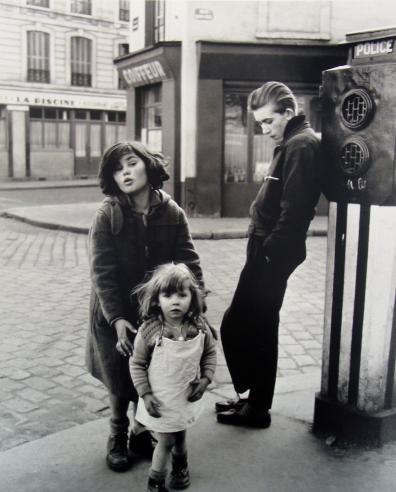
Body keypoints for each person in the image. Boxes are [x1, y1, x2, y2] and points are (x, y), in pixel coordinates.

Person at [86, 141, 205, 472]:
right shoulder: (107, 215)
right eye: (116, 168)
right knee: (119, 378)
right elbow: (102, 273)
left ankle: (140, 433)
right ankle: (117, 434)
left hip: (156, 312)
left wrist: (199, 303)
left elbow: (189, 262)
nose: (124, 171)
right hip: (114, 312)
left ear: (148, 165)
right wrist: (117, 319)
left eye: (130, 163)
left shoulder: (172, 212)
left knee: (149, 371)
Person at [216, 81, 322, 428]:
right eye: (260, 123)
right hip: (265, 246)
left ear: (288, 113)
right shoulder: (290, 141)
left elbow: (295, 212)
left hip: (272, 250)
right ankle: (253, 401)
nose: (263, 130)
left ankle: (257, 408)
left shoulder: (301, 145)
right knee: (256, 326)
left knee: (239, 326)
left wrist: (268, 255)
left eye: (267, 122)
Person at [130, 263, 217, 492]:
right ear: (158, 299)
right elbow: (137, 363)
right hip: (159, 399)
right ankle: (155, 482)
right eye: (168, 295)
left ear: (192, 297)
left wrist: (206, 379)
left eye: (182, 294)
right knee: (166, 440)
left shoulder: (198, 327)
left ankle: (180, 467)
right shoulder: (150, 331)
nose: (175, 301)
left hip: (185, 396)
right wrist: (145, 394)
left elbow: (209, 353)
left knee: (180, 433)